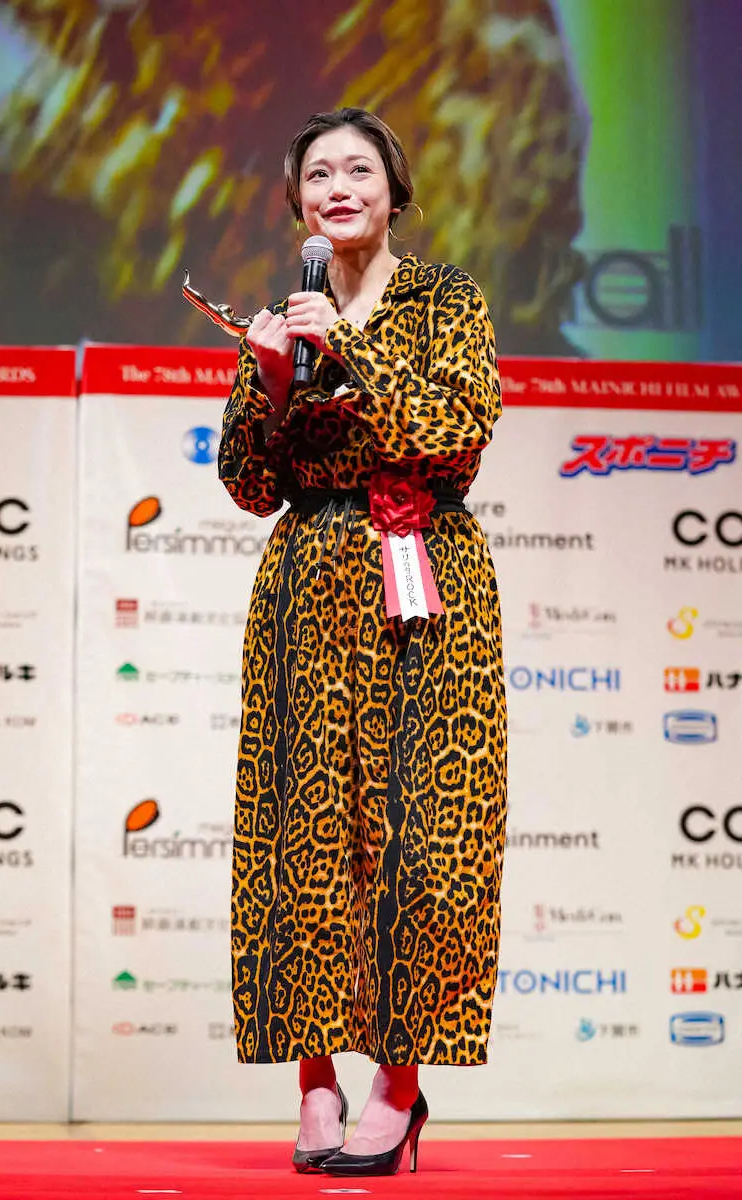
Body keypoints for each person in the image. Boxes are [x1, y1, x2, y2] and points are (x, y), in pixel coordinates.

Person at [218, 107, 507, 1177]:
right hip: (306, 584)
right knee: (301, 839)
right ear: (298, 200)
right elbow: (249, 484)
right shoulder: (283, 314)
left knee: (426, 842)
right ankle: (314, 1083)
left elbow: (458, 425)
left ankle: (398, 1084)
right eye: (317, 175)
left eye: (357, 170)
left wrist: (345, 350)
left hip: (424, 580)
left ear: (393, 189)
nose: (337, 188)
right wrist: (271, 381)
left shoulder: (445, 300)